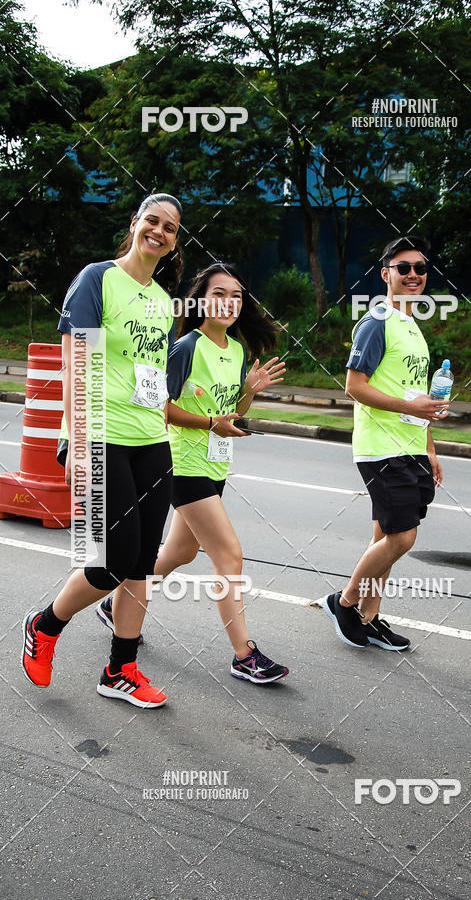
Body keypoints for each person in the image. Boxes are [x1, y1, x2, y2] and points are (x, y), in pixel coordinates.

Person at [22, 193, 183, 708]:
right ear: (134, 224)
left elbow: (152, 374)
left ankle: (120, 670)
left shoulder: (164, 302)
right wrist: (78, 442)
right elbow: (76, 363)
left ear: (174, 241)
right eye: (152, 221)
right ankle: (45, 625)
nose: (159, 231)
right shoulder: (97, 278)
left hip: (150, 441)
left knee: (142, 563)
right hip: (101, 437)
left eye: (170, 228)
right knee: (113, 560)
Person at [96, 261, 290, 684]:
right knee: (229, 554)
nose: (228, 302)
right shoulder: (186, 347)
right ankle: (244, 655)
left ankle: (115, 605)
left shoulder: (236, 350)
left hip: (215, 464)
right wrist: (208, 424)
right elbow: (162, 409)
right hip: (182, 465)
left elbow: (231, 413)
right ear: (201, 300)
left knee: (181, 552)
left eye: (236, 295)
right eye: (219, 293)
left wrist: (249, 392)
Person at [323, 235, 448, 650]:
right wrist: (409, 409)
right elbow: (354, 386)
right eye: (403, 268)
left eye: (420, 268)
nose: (413, 274)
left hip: (410, 447)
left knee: (385, 539)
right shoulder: (377, 321)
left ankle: (369, 616)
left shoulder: (412, 327)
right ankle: (344, 603)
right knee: (402, 538)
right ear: (385, 274)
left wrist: (429, 448)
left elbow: (416, 395)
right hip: (382, 448)